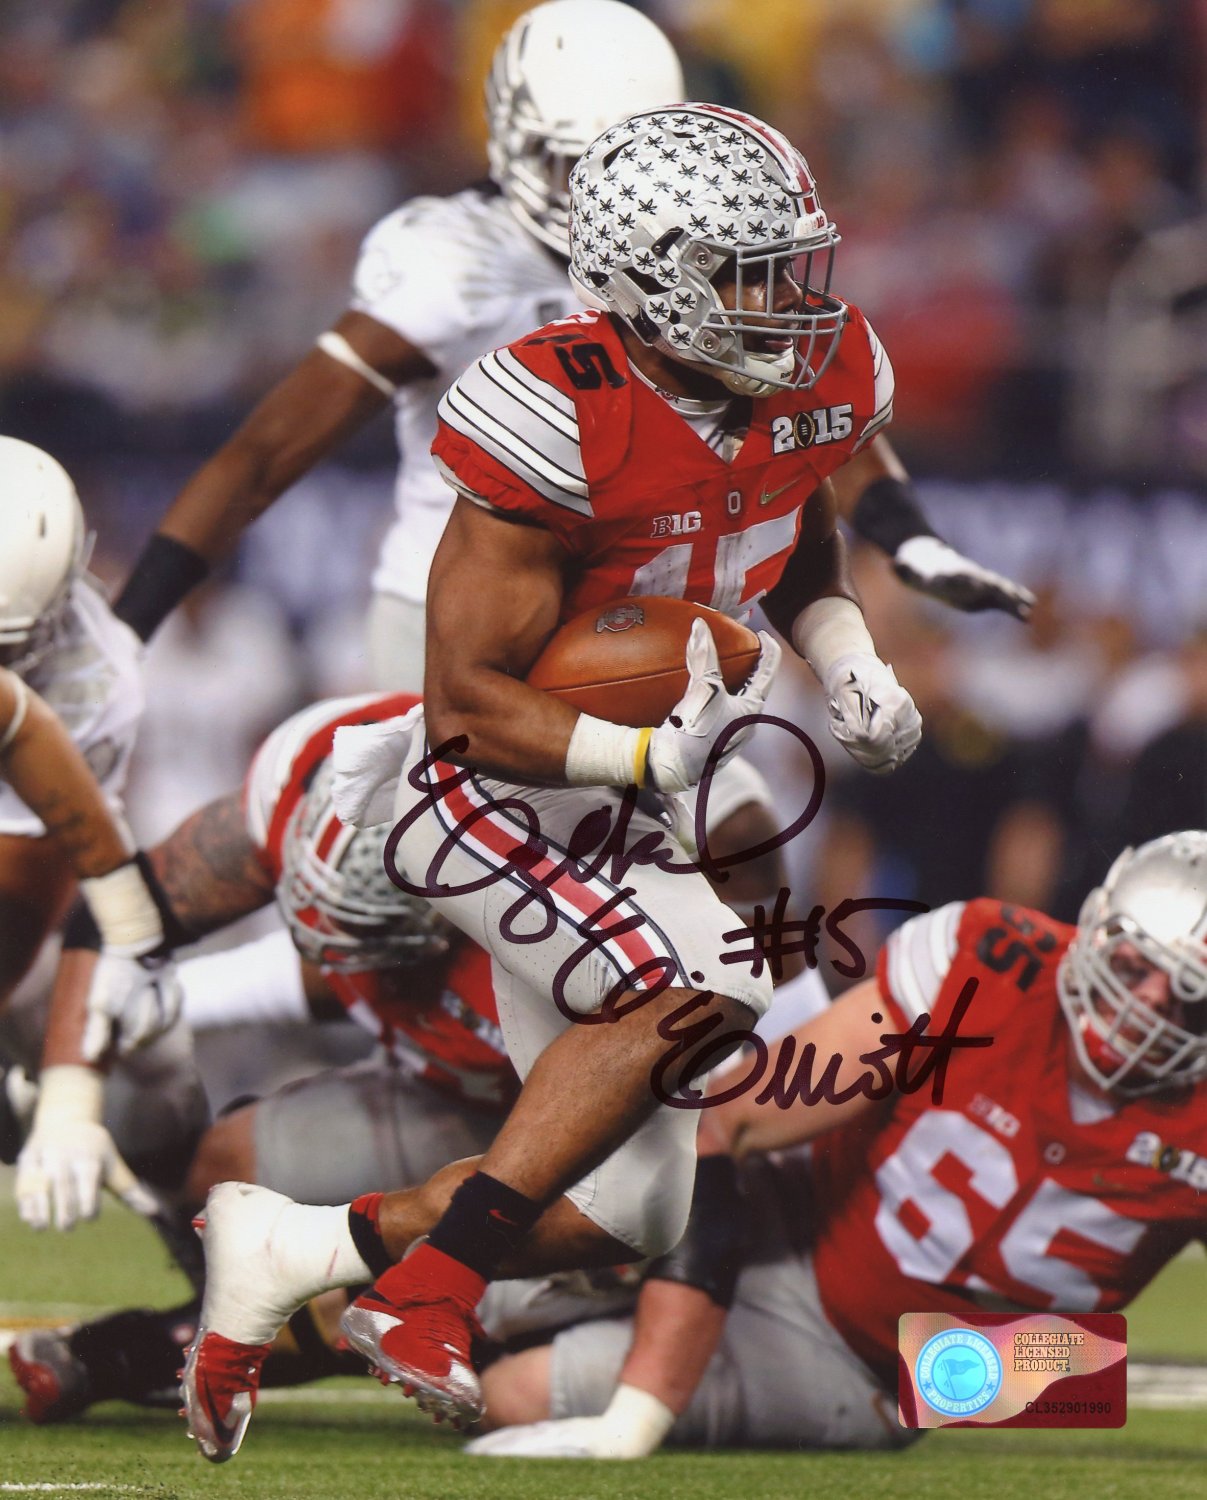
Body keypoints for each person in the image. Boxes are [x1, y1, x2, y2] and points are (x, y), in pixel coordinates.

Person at [178, 99, 930, 1460]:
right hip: (480, 790)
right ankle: (427, 1289)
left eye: (789, 263)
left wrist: (848, 657)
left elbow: (797, 525)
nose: (786, 301)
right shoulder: (554, 404)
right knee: (708, 982)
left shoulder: (815, 378)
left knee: (638, 1205)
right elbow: (463, 706)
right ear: (648, 282)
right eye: (744, 271)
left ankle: (293, 1246)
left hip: (628, 803)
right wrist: (643, 750)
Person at [109, 1, 1030, 678]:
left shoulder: (713, 258)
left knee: (735, 859)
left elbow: (813, 421)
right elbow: (268, 450)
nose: (595, 189)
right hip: (465, 609)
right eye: (571, 159)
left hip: (632, 611)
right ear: (514, 135)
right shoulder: (456, 263)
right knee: (439, 891)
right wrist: (132, 622)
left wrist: (910, 542)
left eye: (618, 155)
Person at [10, 686, 811, 1424]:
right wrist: (74, 1093)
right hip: (446, 1090)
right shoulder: (305, 774)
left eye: (385, 955)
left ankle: (168, 1340)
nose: (353, 970)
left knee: (589, 1250)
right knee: (223, 1160)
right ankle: (240, 1287)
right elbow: (135, 913)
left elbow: (711, 1102)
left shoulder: (563, 921)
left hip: (569, 1112)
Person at [464, 831, 1207, 1456]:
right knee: (480, 1287)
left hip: (862, 1365)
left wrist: (1008, 1382)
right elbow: (732, 1119)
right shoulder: (992, 959)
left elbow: (1067, 1375)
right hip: (787, 1205)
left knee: (519, 1393)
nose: (1144, 1007)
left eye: (1188, 997)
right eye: (1133, 966)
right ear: (1094, 925)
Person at [0, 437, 193, 1211]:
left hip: (24, 911)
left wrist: (67, 1094)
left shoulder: (88, 687)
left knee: (159, 1051)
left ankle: (169, 1224)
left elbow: (34, 893)